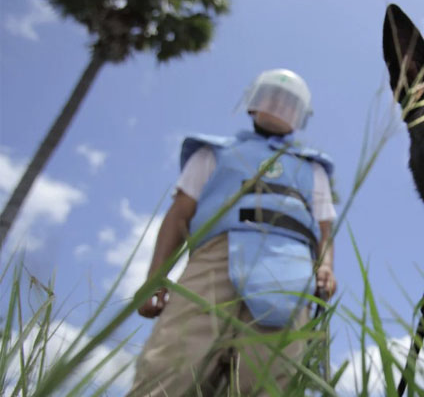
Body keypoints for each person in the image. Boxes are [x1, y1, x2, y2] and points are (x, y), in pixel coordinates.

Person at [128, 69, 337, 396]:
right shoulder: (214, 152)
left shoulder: (312, 169)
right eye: (271, 97)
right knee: (172, 364)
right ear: (252, 103)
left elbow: (325, 230)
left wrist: (324, 266)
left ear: (300, 116)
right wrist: (156, 276)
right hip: (215, 260)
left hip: (289, 273)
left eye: (288, 103)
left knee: (270, 375)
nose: (279, 106)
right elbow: (179, 213)